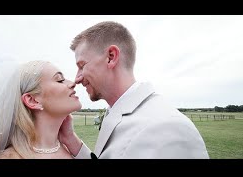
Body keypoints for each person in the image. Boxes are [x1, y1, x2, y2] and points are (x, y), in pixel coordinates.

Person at [58, 21, 209, 159]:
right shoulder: (118, 112)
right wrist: (72, 141)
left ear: (111, 57)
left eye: (82, 65)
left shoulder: (168, 128)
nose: (77, 78)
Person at [0, 60, 81, 159]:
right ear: (32, 100)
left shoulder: (72, 149)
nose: (73, 82)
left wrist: (72, 140)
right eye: (60, 80)